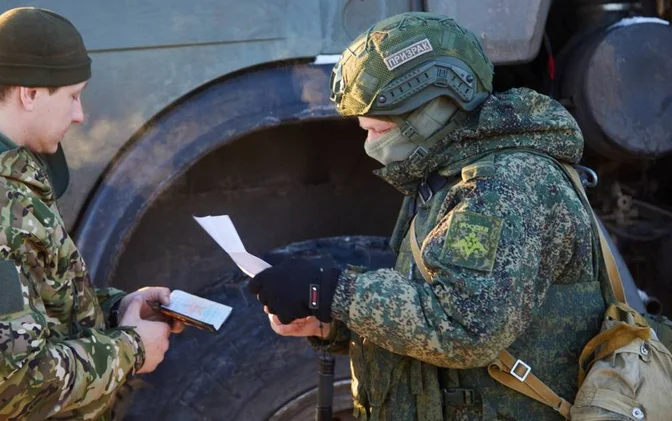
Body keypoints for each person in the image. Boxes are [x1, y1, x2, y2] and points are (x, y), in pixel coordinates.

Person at [249, 12, 606, 421]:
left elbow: (465, 328)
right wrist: (332, 323)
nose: (369, 145)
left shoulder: (503, 187)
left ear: (435, 106)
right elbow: (427, 308)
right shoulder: (446, 176)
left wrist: (334, 292)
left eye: (379, 130)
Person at [0, 8, 182, 420]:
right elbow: (12, 385)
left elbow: (18, 318)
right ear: (29, 93)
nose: (79, 114)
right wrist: (131, 349)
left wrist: (118, 311)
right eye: (72, 96)